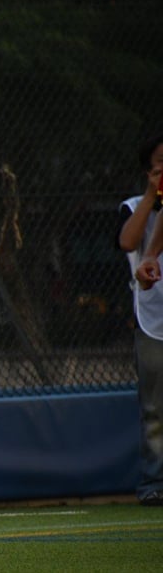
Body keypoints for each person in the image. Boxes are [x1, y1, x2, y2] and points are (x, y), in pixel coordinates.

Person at [124, 131, 163, 507]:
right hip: (153, 318)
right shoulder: (136, 205)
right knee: (154, 408)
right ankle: (154, 481)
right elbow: (126, 242)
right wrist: (153, 195)